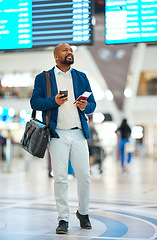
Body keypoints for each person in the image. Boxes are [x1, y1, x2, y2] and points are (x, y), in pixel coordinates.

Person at [30, 43, 96, 234]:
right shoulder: (44, 78)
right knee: (60, 178)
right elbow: (35, 102)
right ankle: (63, 218)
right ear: (56, 57)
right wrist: (54, 102)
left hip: (78, 133)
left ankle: (83, 213)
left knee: (84, 176)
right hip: (57, 134)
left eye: (71, 50)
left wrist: (86, 107)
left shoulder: (81, 76)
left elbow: (92, 104)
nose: (70, 52)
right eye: (65, 50)